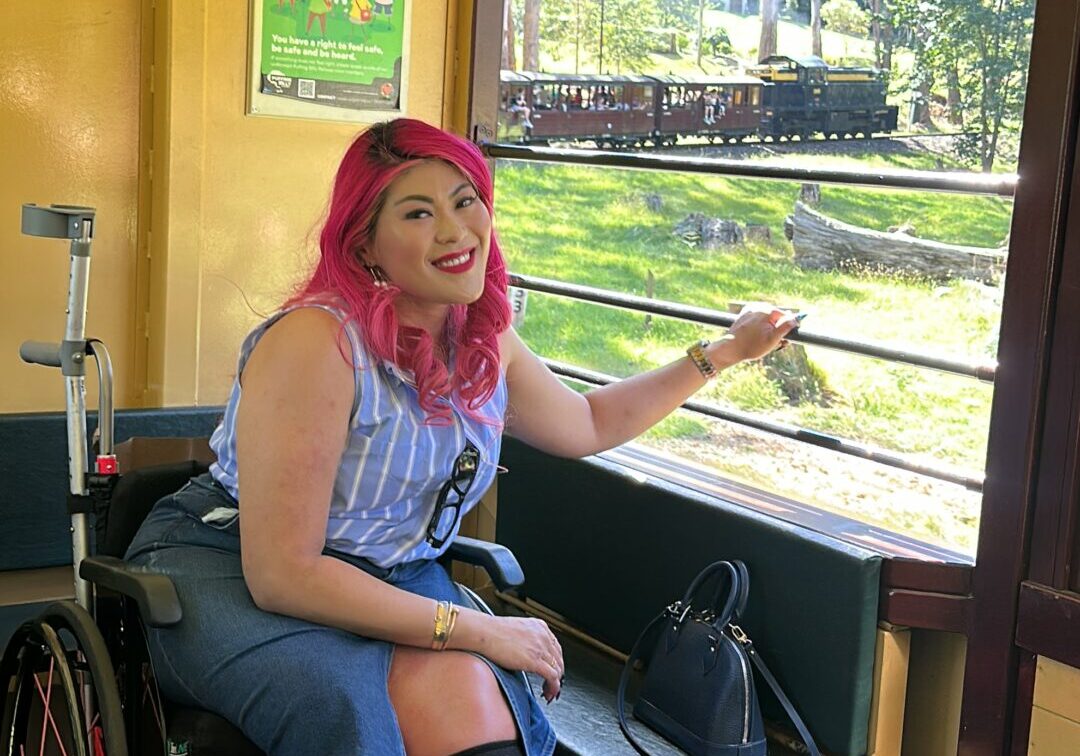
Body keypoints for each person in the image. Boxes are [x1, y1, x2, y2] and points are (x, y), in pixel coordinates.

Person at [124, 118, 797, 756]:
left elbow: (588, 423)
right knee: (345, 703)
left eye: (465, 200)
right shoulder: (319, 342)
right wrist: (477, 627)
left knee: (468, 694)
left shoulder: (480, 336)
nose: (456, 231)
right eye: (418, 213)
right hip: (230, 563)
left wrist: (727, 351)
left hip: (389, 573)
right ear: (364, 243)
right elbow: (283, 574)